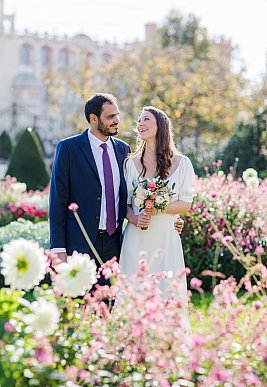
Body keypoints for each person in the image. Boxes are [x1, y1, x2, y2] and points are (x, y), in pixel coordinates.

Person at [49, 93, 131, 286]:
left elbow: (130, 194)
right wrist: (58, 248)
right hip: (78, 242)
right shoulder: (69, 148)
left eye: (117, 115)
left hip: (114, 242)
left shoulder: (124, 149)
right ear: (93, 119)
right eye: (110, 116)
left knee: (108, 303)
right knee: (79, 304)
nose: (117, 120)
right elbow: (58, 200)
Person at [119, 106, 195, 297]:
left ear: (160, 126)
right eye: (139, 120)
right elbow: (124, 203)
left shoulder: (182, 163)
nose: (140, 124)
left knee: (166, 291)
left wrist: (157, 209)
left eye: (146, 119)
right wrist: (135, 218)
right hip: (136, 236)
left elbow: (185, 204)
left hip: (166, 237)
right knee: (133, 291)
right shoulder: (130, 163)